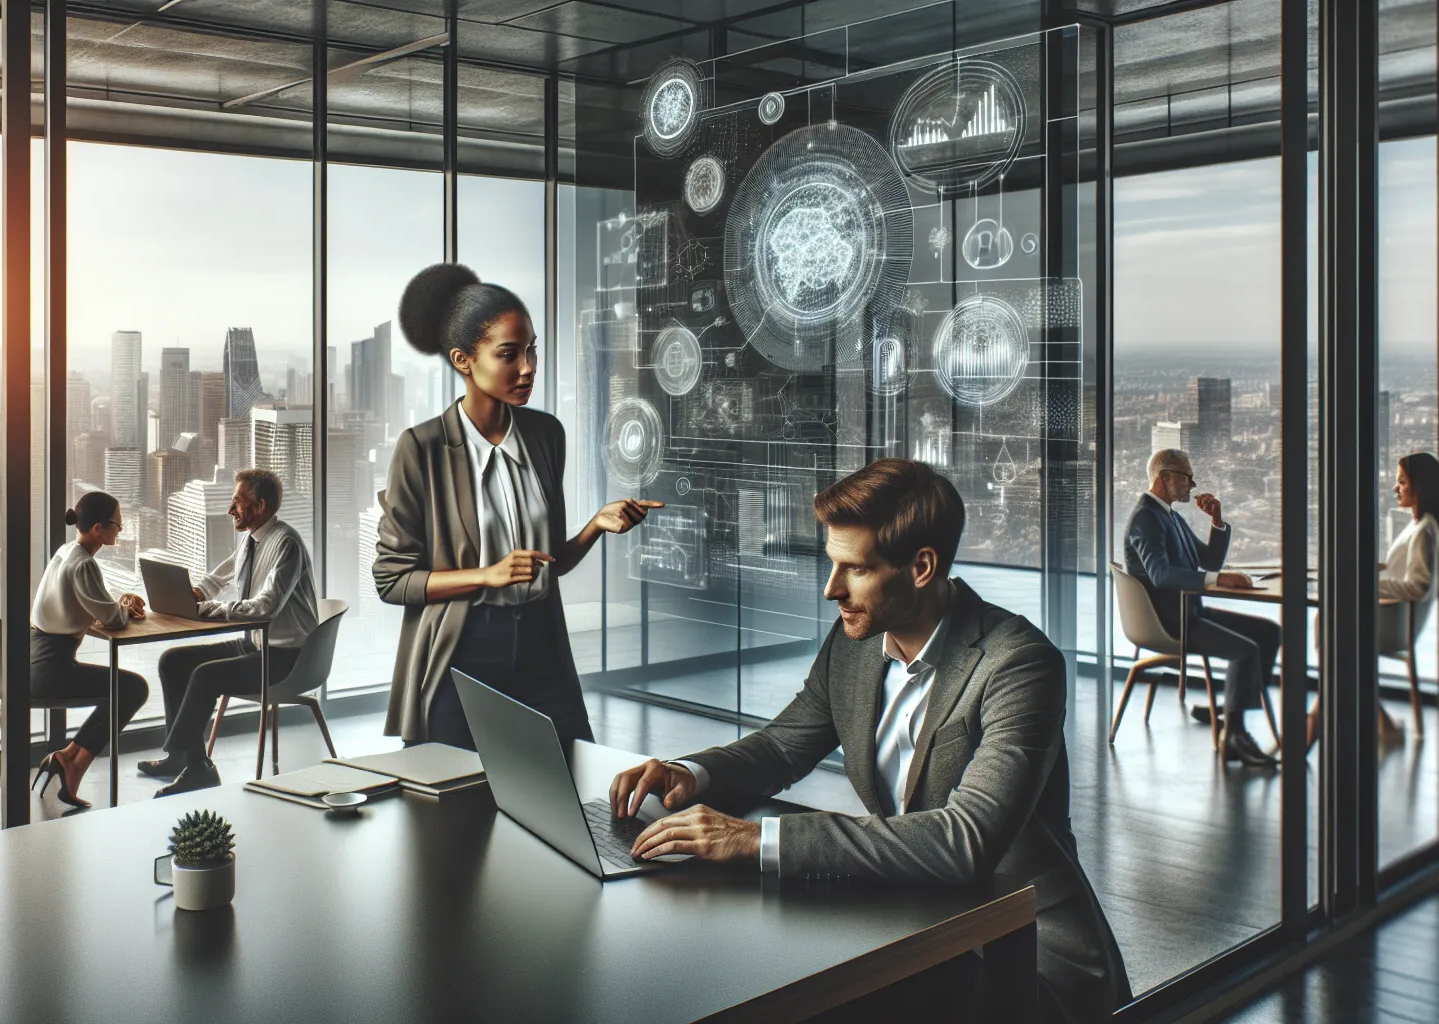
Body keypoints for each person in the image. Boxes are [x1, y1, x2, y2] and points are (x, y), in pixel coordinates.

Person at [607, 459, 1131, 1024]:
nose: (832, 589)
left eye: (854, 569)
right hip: (918, 925)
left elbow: (964, 839)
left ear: (922, 567)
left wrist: (756, 839)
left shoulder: (1019, 663)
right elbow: (784, 744)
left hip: (1023, 959)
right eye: (833, 565)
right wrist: (688, 773)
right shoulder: (857, 640)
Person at [374, 263, 663, 749]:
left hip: (542, 645)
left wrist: (595, 525)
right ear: (463, 360)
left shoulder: (546, 435)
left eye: (531, 350)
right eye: (508, 354)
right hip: (463, 651)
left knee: (574, 783)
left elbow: (550, 564)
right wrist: (486, 575)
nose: (527, 367)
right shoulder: (420, 449)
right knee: (455, 805)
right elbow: (392, 580)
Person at [138, 468, 319, 795]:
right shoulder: (251, 540)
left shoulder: (286, 544)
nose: (229, 509)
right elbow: (219, 577)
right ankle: (185, 757)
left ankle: (197, 768)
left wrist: (211, 610)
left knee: (205, 676)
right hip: (255, 645)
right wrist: (194, 595)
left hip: (286, 657)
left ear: (259, 506)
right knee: (172, 661)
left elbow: (267, 606)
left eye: (237, 502)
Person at [1123, 448, 1279, 768]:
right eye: (1186, 477)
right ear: (1165, 477)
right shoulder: (1146, 519)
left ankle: (1231, 706)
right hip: (1170, 621)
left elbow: (1206, 561)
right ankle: (1234, 737)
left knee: (1268, 632)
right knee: (1245, 650)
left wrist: (1217, 522)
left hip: (1190, 613)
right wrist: (1219, 578)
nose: (1191, 485)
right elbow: (1162, 575)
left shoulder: (1170, 517)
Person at [1306, 452, 1439, 748]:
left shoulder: (1424, 531)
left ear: (1420, 486)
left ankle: (1317, 717)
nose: (1396, 488)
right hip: (1392, 617)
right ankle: (1376, 722)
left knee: (1327, 624)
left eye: (1402, 482)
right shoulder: (1420, 525)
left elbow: (1417, 585)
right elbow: (1401, 571)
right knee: (1330, 630)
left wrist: (1367, 582)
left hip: (1393, 624)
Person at [28, 491, 151, 809]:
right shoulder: (84, 564)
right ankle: (73, 763)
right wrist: (125, 607)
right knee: (134, 688)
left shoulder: (65, 552)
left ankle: (69, 758)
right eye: (117, 525)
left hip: (32, 662)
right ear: (99, 528)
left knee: (122, 689)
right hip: (50, 671)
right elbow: (112, 620)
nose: (120, 530)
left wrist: (114, 604)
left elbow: (88, 603)